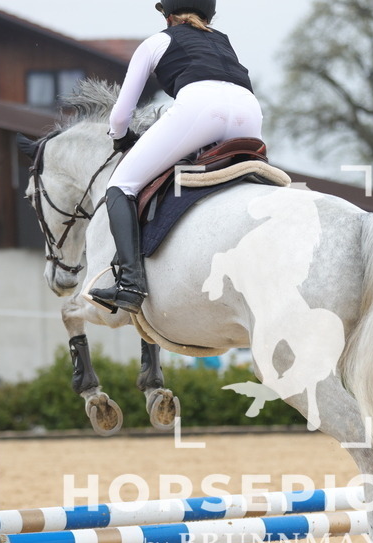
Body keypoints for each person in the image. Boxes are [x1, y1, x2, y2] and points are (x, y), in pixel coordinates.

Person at [89, 0, 263, 314]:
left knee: (120, 186)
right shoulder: (223, 41)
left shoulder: (158, 41)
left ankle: (130, 283)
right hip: (249, 111)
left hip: (200, 108)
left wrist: (120, 138)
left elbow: (120, 117)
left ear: (168, 16)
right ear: (209, 16)